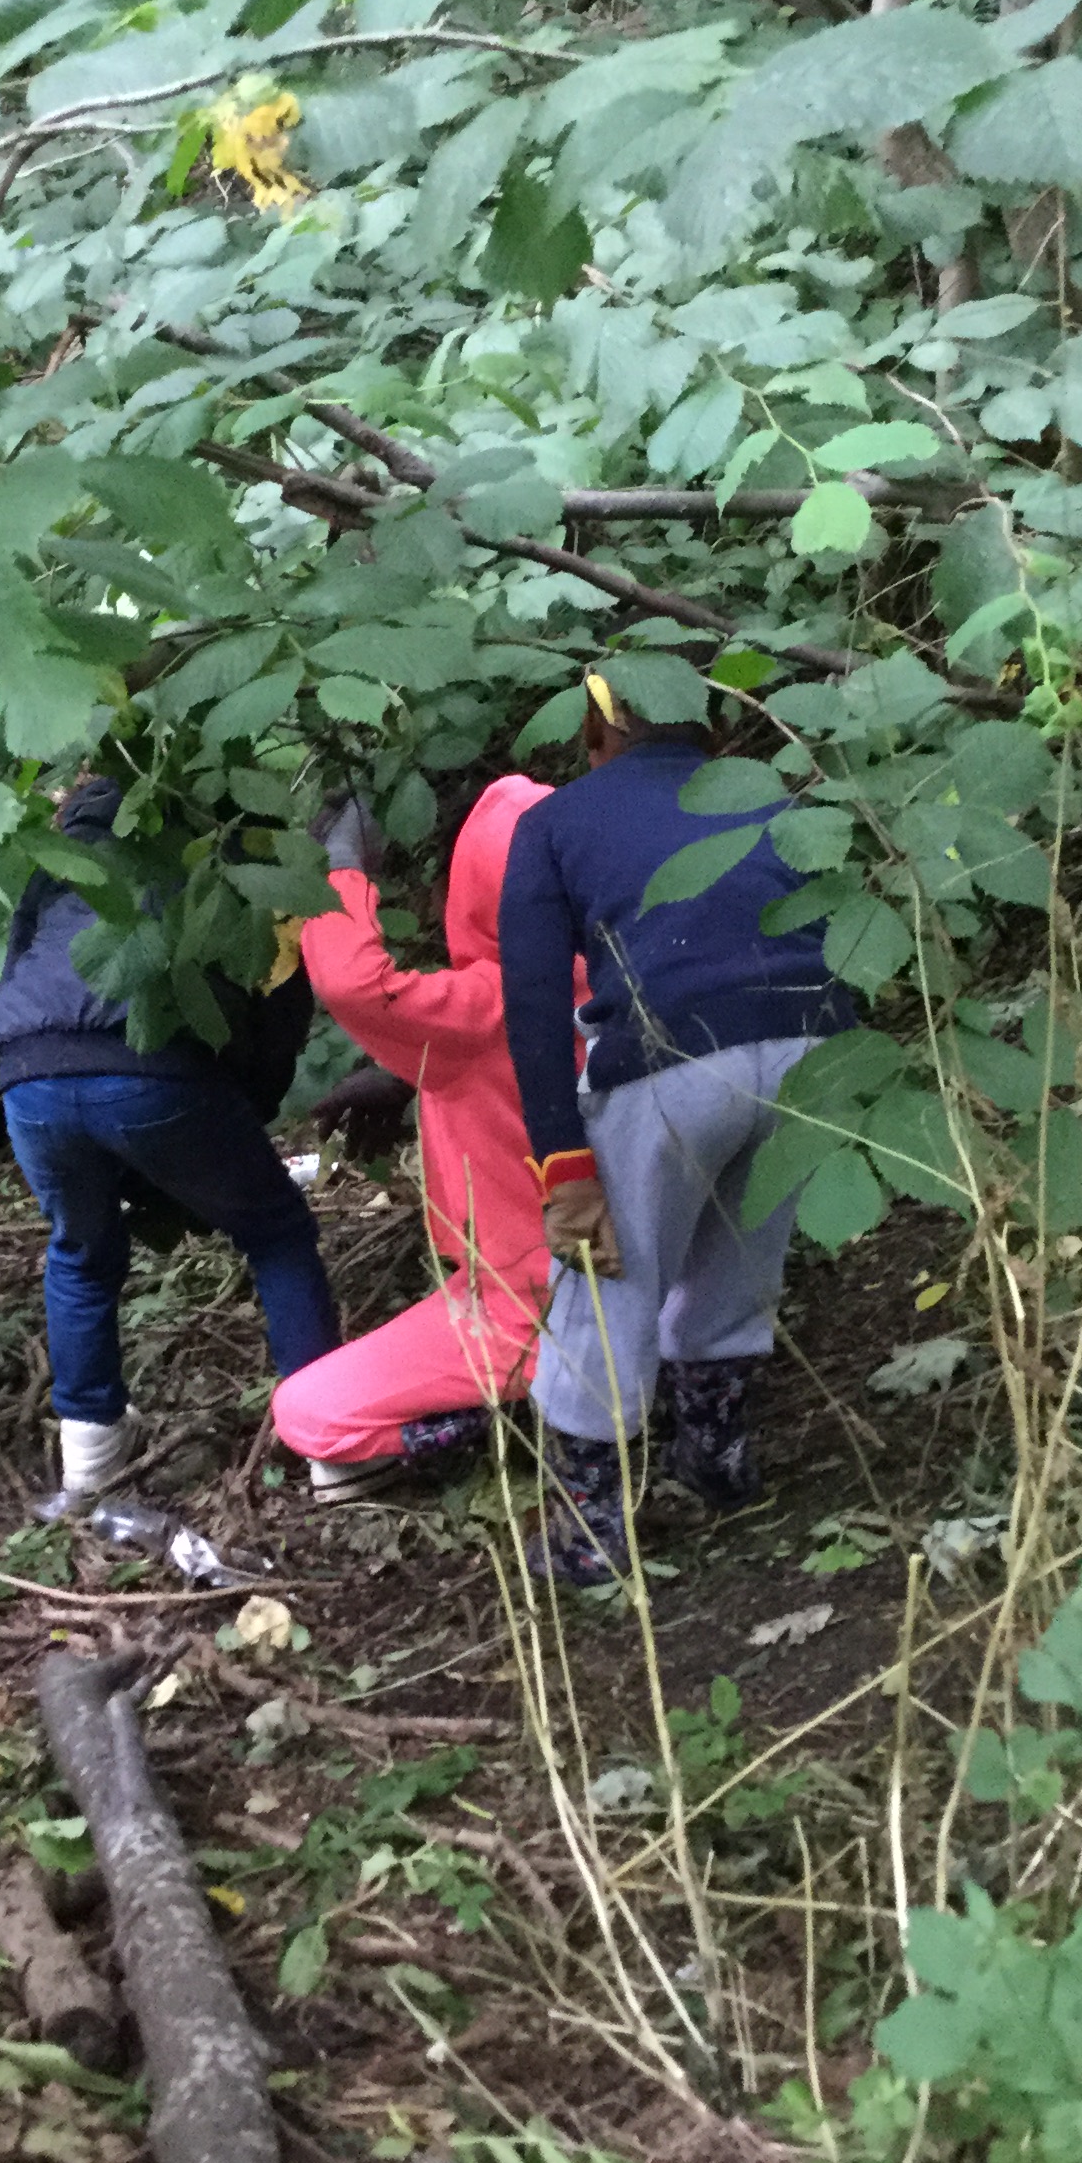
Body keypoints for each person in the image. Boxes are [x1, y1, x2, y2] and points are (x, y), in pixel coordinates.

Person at [498, 675, 856, 1581]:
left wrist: (562, 1162)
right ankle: (718, 1457)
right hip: (816, 1045)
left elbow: (532, 1007)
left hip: (671, 1056)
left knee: (608, 1281)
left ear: (597, 730)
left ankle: (591, 1532)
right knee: (742, 1254)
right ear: (713, 729)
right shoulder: (770, 794)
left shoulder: (553, 824)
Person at [0, 776, 338, 1503]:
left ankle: (90, 1460)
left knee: (80, 1255)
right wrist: (248, 1109)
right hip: (151, 1067)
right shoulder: (219, 861)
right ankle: (333, 1448)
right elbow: (278, 995)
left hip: (29, 1076)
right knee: (275, 1232)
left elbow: (20, 963)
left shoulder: (58, 862)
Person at [271, 777, 561, 1493]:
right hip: (646, 1276)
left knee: (309, 1415)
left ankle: (530, 1409)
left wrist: (341, 870)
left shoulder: (493, 1003)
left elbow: (357, 986)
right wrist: (410, 1079)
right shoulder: (622, 973)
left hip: (532, 1303)